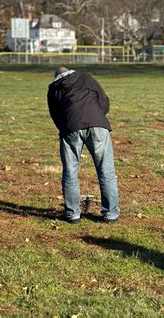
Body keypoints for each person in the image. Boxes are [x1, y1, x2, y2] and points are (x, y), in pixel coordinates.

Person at [47, 67, 119, 224]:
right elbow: (104, 101)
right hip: (98, 124)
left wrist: (65, 128)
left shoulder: (54, 88)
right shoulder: (86, 78)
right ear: (70, 72)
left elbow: (55, 114)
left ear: (56, 77)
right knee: (106, 171)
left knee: (70, 172)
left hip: (70, 128)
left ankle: (73, 214)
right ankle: (111, 213)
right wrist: (97, 116)